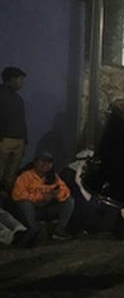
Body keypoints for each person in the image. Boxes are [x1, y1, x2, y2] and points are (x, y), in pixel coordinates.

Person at [12, 152, 74, 244]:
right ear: (35, 162)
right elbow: (18, 195)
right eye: (42, 161)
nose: (45, 165)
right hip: (32, 210)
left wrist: (56, 194)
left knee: (69, 201)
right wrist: (41, 197)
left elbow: (66, 192)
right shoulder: (25, 176)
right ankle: (33, 230)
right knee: (24, 203)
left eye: (49, 162)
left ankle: (59, 231)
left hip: (46, 209)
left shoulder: (54, 176)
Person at [0, 66, 27, 198]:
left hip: (18, 139)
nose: (22, 82)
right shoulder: (2, 94)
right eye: (20, 79)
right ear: (11, 79)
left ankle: (5, 200)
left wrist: (24, 139)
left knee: (10, 174)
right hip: (5, 139)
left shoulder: (17, 98)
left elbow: (21, 119)